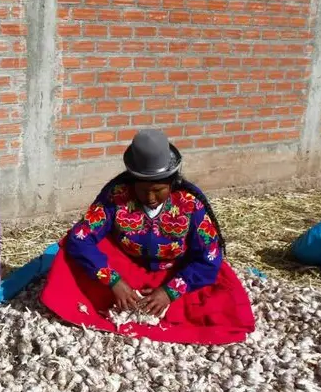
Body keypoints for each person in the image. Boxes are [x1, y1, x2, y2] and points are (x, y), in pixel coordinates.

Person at [40, 129, 256, 344]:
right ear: (132, 182)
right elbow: (81, 238)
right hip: (126, 269)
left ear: (172, 183)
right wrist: (112, 280)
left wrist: (170, 292)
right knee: (68, 252)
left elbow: (209, 256)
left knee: (220, 300)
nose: (151, 198)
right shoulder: (117, 196)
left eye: (159, 190)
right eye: (143, 190)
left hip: (174, 272)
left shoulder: (190, 204)